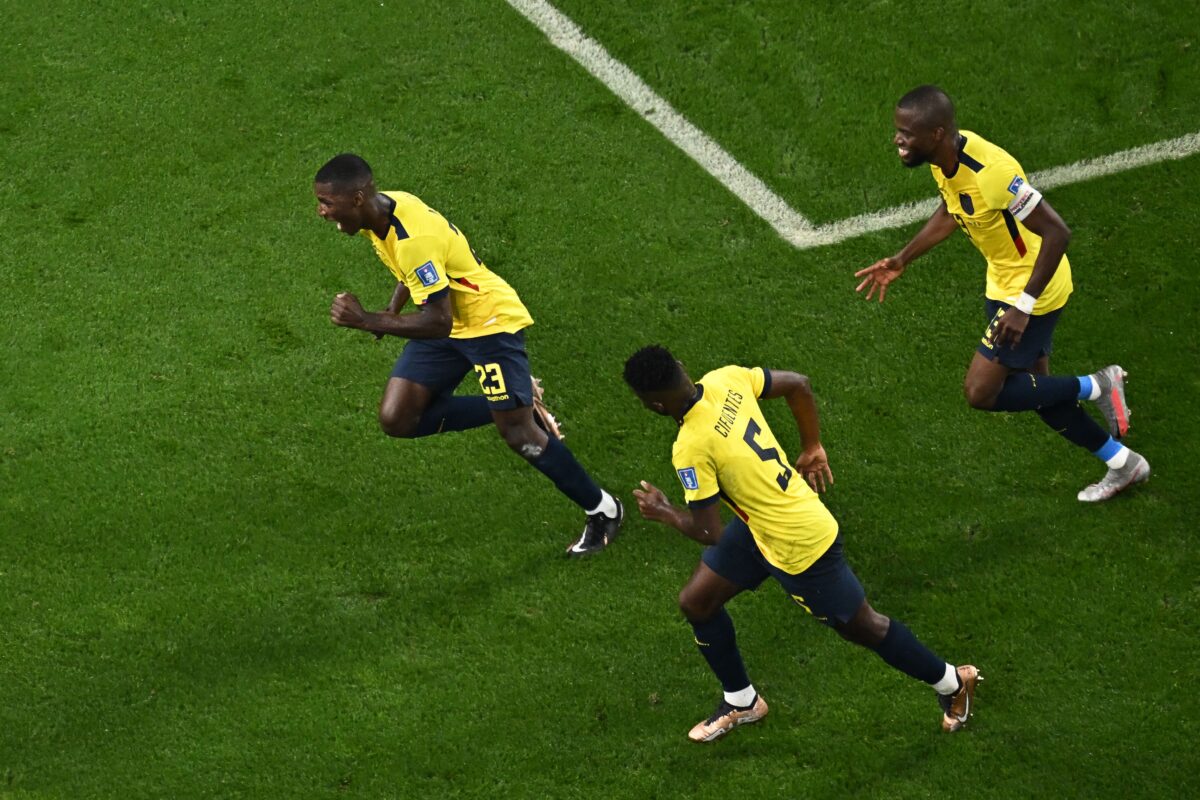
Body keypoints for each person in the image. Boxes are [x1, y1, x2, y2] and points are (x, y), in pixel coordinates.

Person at [623, 345, 978, 742]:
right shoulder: (725, 378)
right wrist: (812, 446)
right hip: (762, 525)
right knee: (696, 602)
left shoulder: (690, 447)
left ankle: (953, 682)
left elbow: (709, 532)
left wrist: (665, 511)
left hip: (799, 543)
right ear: (682, 368)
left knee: (863, 627)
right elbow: (799, 385)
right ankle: (742, 701)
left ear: (654, 405)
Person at [314, 153, 622, 555]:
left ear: (356, 198)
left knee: (517, 435)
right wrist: (391, 310)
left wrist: (368, 320)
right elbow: (416, 275)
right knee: (398, 418)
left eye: (327, 203)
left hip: (487, 325)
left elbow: (436, 321)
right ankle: (521, 402)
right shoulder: (386, 208)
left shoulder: (413, 239)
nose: (321, 212)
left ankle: (603, 509)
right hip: (448, 321)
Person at [855, 85, 1149, 503]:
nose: (898, 139)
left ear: (936, 133)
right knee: (1036, 391)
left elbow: (1057, 233)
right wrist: (903, 259)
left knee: (981, 392)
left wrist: (1023, 307)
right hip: (1005, 284)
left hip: (1034, 291)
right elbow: (952, 210)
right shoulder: (944, 160)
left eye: (906, 132)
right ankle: (1125, 464)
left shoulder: (991, 172)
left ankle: (1097, 385)